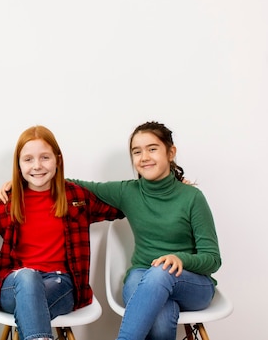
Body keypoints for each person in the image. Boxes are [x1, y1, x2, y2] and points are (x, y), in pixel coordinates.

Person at [0, 125, 124, 340]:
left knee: (30, 307)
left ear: (58, 160)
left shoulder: (77, 197)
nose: (37, 166)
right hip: (14, 285)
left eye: (45, 158)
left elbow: (123, 206)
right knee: (27, 276)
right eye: (28, 159)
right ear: (19, 165)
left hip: (62, 286)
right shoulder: (8, 200)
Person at [67, 121, 221, 340]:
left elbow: (213, 259)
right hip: (142, 275)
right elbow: (73, 184)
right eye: (137, 152)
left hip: (193, 284)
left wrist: (179, 259)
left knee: (162, 271)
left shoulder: (192, 197)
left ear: (171, 153)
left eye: (152, 149)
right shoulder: (128, 192)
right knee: (161, 316)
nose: (144, 157)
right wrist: (17, 182)